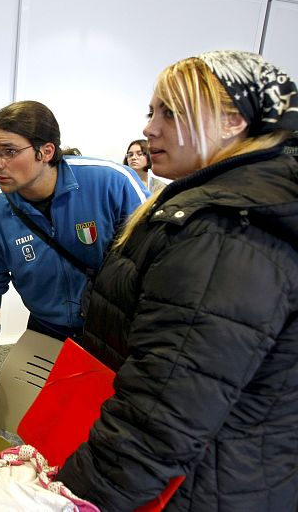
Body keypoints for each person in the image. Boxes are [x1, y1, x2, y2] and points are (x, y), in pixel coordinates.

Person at [56, 51, 298, 510]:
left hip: (193, 486)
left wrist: (73, 496)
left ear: (232, 122)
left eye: (171, 111)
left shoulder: (226, 228)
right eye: (152, 111)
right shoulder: (214, 207)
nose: (150, 128)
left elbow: (163, 411)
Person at [0, 101, 148, 390]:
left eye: (9, 151)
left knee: (111, 419)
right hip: (48, 331)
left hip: (115, 331)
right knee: (43, 423)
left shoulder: (113, 183)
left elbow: (155, 262)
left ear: (46, 152)